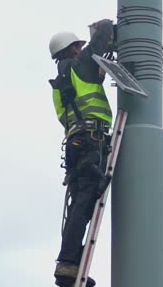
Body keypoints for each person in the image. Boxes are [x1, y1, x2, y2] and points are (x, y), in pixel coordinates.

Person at [48, 19, 114, 287]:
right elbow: (105, 31)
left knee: (79, 206)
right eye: (79, 46)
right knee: (85, 200)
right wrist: (105, 28)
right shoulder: (80, 66)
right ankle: (67, 266)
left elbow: (67, 116)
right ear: (72, 49)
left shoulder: (58, 84)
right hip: (91, 141)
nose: (82, 48)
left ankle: (69, 264)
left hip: (75, 144)